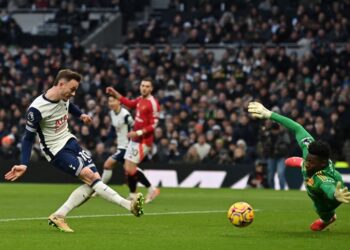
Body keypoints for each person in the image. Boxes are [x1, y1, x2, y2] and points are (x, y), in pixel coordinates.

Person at [4, 69, 144, 233]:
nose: (73, 93)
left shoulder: (63, 97)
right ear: (61, 84)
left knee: (95, 182)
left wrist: (81, 115)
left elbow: (70, 106)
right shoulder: (36, 109)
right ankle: (128, 205)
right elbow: (28, 138)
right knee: (91, 178)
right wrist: (24, 163)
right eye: (72, 89)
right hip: (56, 151)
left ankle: (59, 215)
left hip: (70, 142)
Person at [248, 101, 350, 231]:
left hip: (332, 194)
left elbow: (328, 188)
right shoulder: (310, 149)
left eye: (311, 162)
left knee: (319, 207)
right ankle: (299, 162)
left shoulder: (322, 178)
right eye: (307, 160)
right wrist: (269, 114)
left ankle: (327, 218)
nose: (308, 163)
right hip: (322, 182)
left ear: (322, 164)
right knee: (305, 171)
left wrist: (335, 195)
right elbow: (297, 127)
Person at [106, 78, 160, 203]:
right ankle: (132, 194)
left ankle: (152, 189)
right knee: (128, 168)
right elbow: (129, 103)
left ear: (151, 89)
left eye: (147, 86)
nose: (144, 88)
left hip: (144, 141)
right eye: (142, 85)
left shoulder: (153, 103)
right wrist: (114, 93)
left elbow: (154, 124)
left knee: (130, 169)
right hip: (135, 138)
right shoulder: (140, 99)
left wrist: (138, 132)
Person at [96, 95, 155, 200]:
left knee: (108, 164)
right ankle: (150, 189)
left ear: (119, 102)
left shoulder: (125, 115)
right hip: (121, 145)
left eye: (113, 101)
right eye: (109, 101)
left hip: (128, 146)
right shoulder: (112, 113)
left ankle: (98, 189)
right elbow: (116, 130)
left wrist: (137, 137)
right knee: (131, 170)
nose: (110, 103)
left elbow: (134, 126)